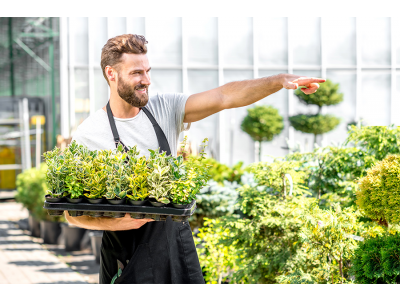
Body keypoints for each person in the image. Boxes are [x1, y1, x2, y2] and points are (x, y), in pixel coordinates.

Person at [65, 34, 325, 284]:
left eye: (147, 71)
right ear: (111, 74)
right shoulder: (91, 134)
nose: (147, 80)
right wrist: (116, 223)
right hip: (126, 257)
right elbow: (71, 215)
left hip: (175, 248)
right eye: (136, 73)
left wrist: (279, 81)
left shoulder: (164, 108)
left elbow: (225, 96)